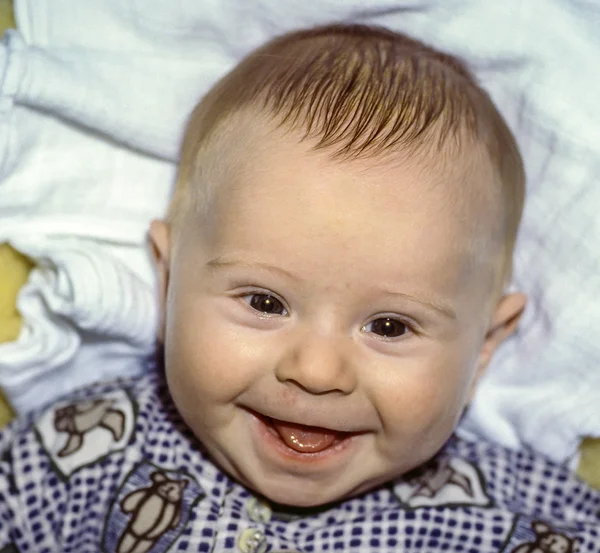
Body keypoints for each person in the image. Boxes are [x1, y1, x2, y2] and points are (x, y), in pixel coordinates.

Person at [0, 24, 598, 553]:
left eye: (389, 326)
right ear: (169, 278)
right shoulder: (75, 454)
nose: (315, 371)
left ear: (484, 347)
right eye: (264, 302)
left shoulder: (523, 519)